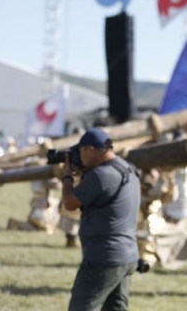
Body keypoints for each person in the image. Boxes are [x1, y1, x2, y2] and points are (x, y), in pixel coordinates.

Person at [61, 128, 141, 311]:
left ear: (90, 149)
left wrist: (67, 177)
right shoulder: (128, 169)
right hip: (127, 256)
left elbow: (70, 203)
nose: (79, 157)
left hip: (103, 258)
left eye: (81, 152)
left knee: (82, 307)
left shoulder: (101, 175)